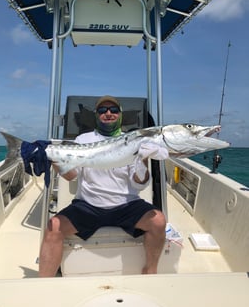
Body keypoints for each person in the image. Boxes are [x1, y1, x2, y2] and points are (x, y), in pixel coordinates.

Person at [39, 96, 168, 277]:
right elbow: (71, 176)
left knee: (158, 221)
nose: (108, 113)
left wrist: (144, 160)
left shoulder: (133, 140)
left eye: (113, 110)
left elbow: (139, 183)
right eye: (103, 110)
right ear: (96, 115)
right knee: (53, 227)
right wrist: (54, 160)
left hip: (126, 204)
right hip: (88, 205)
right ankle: (43, 282)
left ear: (120, 115)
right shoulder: (83, 139)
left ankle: (150, 270)